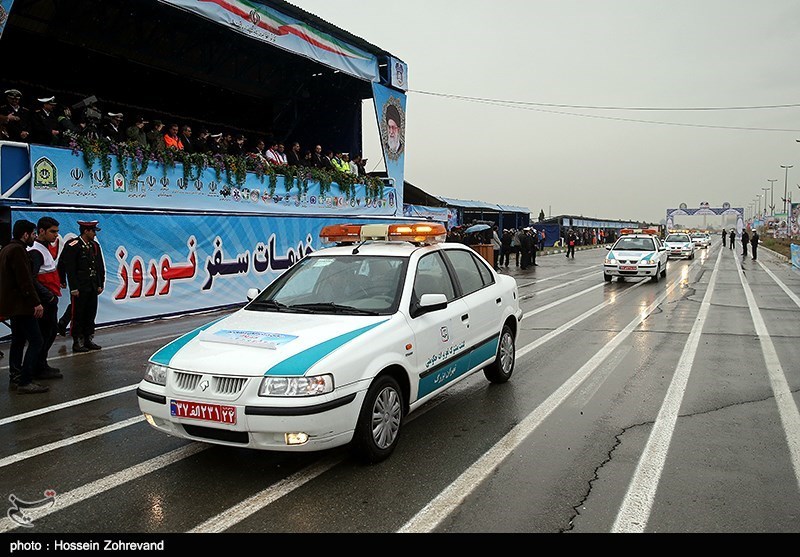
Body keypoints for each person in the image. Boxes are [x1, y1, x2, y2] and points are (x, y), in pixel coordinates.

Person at [0, 219, 47, 393]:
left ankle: (16, 375)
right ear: (25, 234)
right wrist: (36, 303)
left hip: (13, 305)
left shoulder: (6, 249)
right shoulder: (18, 251)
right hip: (21, 305)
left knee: (18, 340)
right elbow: (25, 281)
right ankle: (25, 381)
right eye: (33, 234)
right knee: (36, 340)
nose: (34, 238)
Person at [60, 220, 105, 352]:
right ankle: (77, 341)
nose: (94, 235)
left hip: (92, 286)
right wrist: (72, 287)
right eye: (93, 231)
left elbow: (99, 266)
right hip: (80, 287)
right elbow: (68, 267)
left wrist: (100, 283)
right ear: (86, 231)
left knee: (90, 313)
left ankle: (88, 338)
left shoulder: (94, 246)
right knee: (78, 314)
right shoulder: (73, 245)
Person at [27, 216, 62, 379]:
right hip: (44, 301)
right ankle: (37, 368)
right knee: (44, 335)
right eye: (52, 232)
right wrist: (48, 297)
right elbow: (31, 279)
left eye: (56, 232)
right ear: (41, 231)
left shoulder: (44, 248)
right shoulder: (36, 251)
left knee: (50, 333)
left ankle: (42, 364)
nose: (55, 235)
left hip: (49, 299)